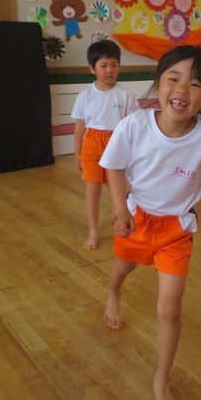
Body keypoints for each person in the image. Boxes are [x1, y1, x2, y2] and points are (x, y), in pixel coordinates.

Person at [99, 44, 201, 400]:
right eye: (173, 79)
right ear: (158, 84)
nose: (181, 90)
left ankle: (161, 381)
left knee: (169, 310)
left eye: (194, 84)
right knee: (123, 266)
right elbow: (113, 165)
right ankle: (114, 293)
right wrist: (120, 207)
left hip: (178, 230)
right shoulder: (135, 126)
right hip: (137, 218)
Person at [71, 39, 139, 250]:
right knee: (93, 190)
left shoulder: (125, 94)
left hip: (117, 143)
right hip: (92, 144)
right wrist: (77, 154)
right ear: (92, 69)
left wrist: (135, 151)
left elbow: (134, 126)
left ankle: (120, 217)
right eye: (103, 65)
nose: (109, 70)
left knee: (118, 187)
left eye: (114, 65)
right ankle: (93, 231)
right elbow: (80, 127)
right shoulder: (85, 95)